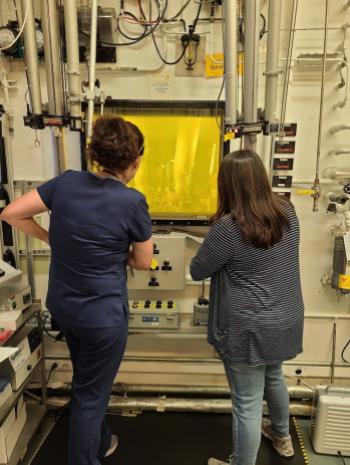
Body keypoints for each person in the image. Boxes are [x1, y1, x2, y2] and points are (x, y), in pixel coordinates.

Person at [0, 116, 153, 465]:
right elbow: (143, 261)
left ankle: (99, 443)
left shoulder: (66, 184)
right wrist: (115, 251)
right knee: (90, 396)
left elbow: (10, 213)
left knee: (87, 382)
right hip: (103, 319)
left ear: (94, 152)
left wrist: (51, 237)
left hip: (65, 309)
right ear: (135, 161)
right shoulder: (132, 202)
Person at [190, 149, 304, 465]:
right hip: (285, 318)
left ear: (227, 185)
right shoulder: (288, 211)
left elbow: (198, 269)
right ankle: (282, 437)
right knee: (274, 376)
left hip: (248, 327)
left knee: (247, 402)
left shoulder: (228, 228)